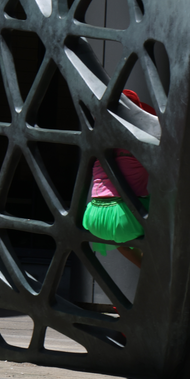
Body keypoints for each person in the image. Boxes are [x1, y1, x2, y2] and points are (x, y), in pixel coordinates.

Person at [82, 90, 156, 268]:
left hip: (94, 216)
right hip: (125, 216)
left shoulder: (98, 143)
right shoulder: (141, 146)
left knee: (122, 241)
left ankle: (146, 268)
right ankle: (155, 271)